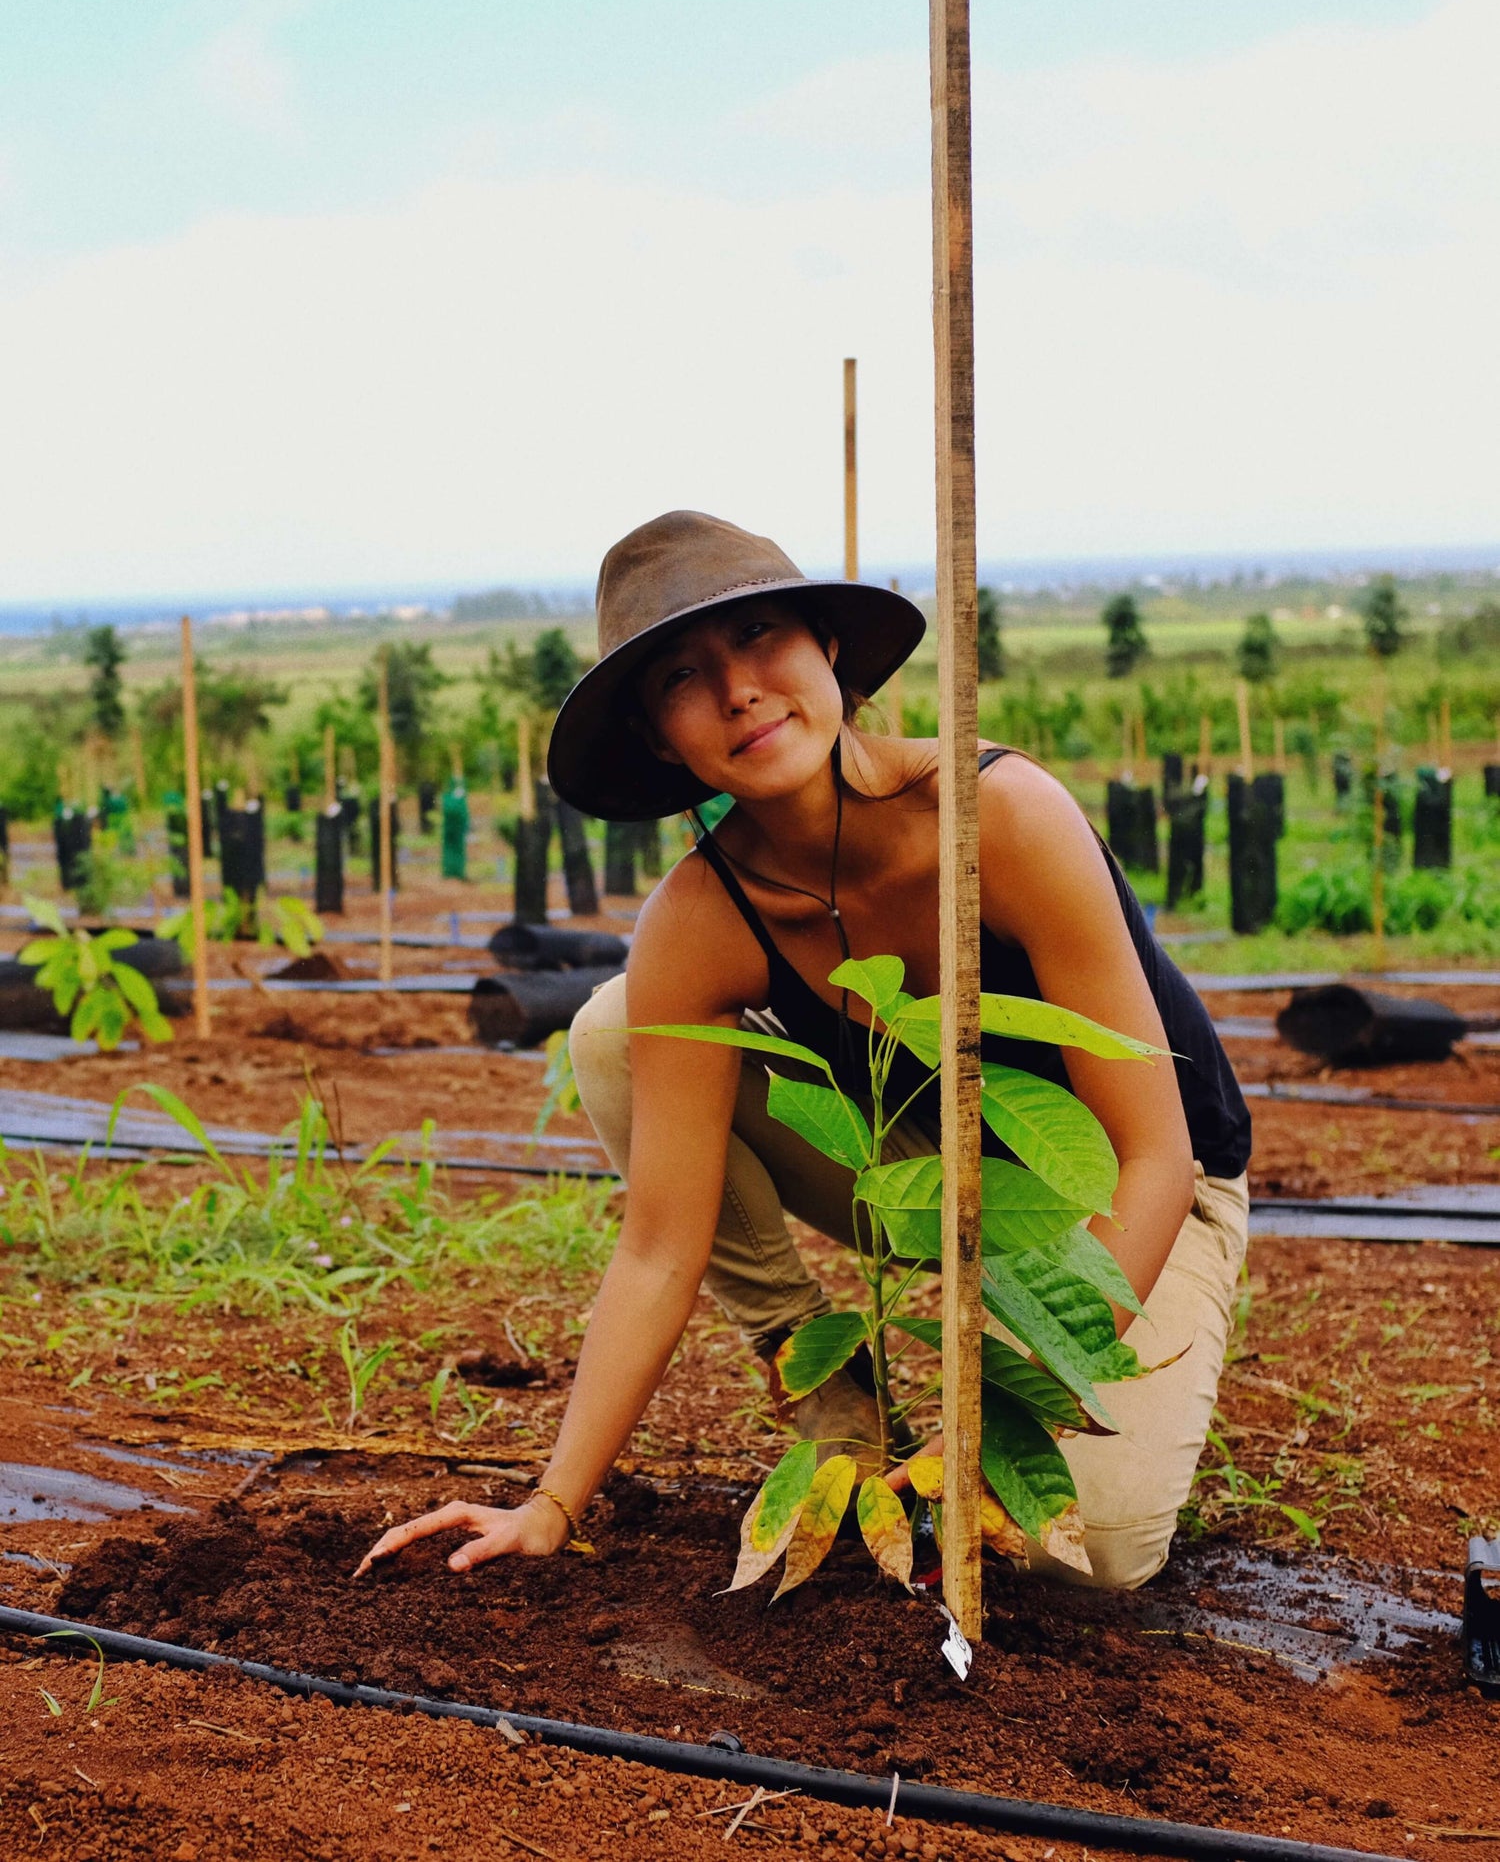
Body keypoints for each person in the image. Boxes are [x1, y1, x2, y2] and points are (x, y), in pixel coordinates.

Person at [356, 510, 1251, 1591]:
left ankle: (996, 1413)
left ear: (827, 649)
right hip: (930, 1171)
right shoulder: (702, 916)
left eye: (762, 638)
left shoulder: (999, 817)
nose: (738, 688)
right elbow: (658, 1247)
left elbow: (1149, 1153)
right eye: (685, 673)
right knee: (616, 1032)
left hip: (1140, 1191)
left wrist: (988, 1415)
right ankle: (841, 1409)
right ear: (656, 737)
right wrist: (550, 1503)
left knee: (1084, 1558)